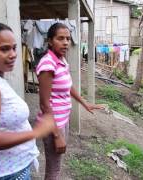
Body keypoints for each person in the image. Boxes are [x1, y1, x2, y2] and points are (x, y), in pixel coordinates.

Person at [0, 21, 55, 180]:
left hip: (12, 169)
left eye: (14, 48)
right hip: (5, 174)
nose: (13, 54)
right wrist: (35, 132)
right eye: (4, 49)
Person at [36, 22, 103, 180]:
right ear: (50, 41)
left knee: (56, 166)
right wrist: (57, 135)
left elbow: (68, 85)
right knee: (53, 169)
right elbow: (44, 104)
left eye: (68, 38)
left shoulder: (61, 60)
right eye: (60, 38)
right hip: (53, 125)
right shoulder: (48, 64)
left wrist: (84, 102)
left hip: (62, 120)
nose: (66, 42)